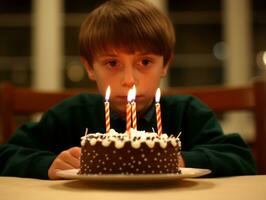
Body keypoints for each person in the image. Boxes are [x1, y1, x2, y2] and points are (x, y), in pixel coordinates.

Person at [0, 0, 256, 179]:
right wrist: (47, 165)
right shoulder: (71, 114)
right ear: (90, 67)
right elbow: (7, 155)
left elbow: (240, 158)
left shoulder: (187, 112)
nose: (129, 80)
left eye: (145, 62)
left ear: (165, 63)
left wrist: (177, 161)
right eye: (112, 63)